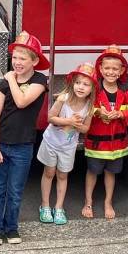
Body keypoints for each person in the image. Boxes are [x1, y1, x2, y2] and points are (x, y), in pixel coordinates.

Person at [0, 31, 49, 245]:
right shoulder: (5, 84)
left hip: (23, 146)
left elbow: (22, 101)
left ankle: (11, 228)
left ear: (35, 61)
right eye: (14, 57)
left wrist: (10, 78)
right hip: (1, 144)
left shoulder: (39, 80)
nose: (17, 62)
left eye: (23, 58)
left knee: (15, 191)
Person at [82, 46, 128, 220]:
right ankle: (88, 202)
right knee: (92, 171)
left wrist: (120, 114)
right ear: (100, 68)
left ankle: (108, 202)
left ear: (121, 71)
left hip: (116, 145)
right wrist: (98, 112)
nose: (110, 72)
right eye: (107, 68)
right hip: (97, 144)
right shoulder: (95, 90)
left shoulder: (126, 92)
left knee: (110, 173)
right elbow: (86, 107)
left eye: (115, 69)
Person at [37, 62, 95, 225]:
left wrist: (77, 125)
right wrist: (69, 121)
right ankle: (45, 205)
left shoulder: (89, 107)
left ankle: (59, 207)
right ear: (72, 83)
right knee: (49, 173)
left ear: (92, 88)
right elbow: (50, 117)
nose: (81, 87)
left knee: (63, 175)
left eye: (86, 84)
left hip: (68, 147)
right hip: (51, 142)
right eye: (78, 83)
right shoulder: (63, 98)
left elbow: (86, 128)